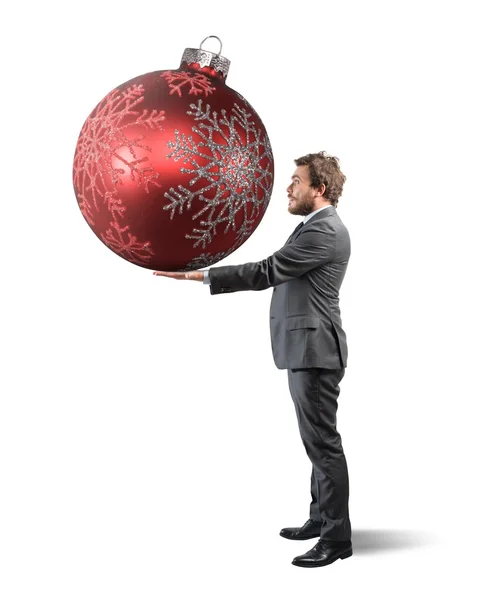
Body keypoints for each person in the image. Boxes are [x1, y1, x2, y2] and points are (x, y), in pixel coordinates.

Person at [153, 151, 352, 568]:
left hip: (314, 352)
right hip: (307, 348)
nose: (288, 187)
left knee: (323, 446)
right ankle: (319, 518)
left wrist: (201, 274)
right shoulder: (313, 227)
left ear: (319, 188)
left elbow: (267, 271)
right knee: (315, 442)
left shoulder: (325, 232)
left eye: (296, 180)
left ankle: (337, 539)